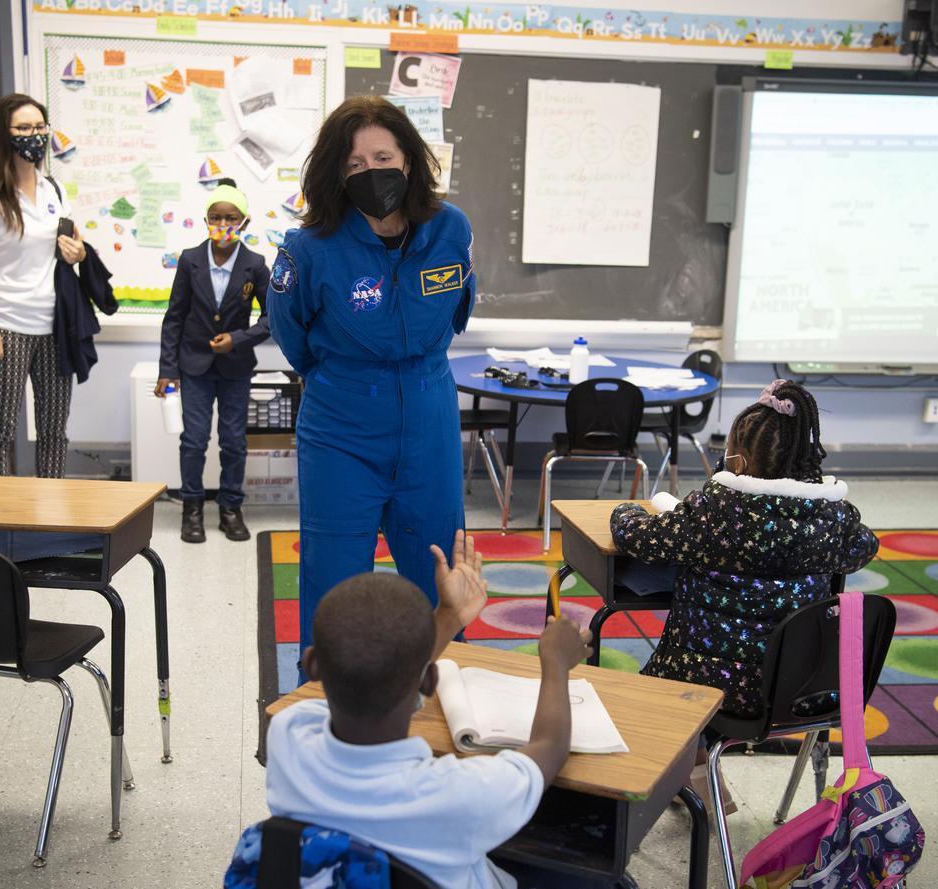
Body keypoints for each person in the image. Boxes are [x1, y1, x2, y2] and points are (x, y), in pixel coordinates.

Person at [262, 531, 595, 889]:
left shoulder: (287, 734)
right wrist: (556, 663)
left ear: (311, 665)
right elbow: (550, 747)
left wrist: (449, 616)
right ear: (430, 681)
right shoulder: (462, 794)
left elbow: (369, 676)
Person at [268, 96, 477, 657]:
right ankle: (325, 716)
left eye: (382, 156)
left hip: (430, 414)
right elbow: (290, 334)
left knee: (442, 571)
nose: (371, 172)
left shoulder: (451, 229)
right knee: (333, 580)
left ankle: (449, 700)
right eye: (354, 164)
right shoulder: (309, 248)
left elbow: (459, 309)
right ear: (336, 173)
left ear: (408, 159)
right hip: (341, 423)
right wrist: (351, 377)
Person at [609, 379, 880, 718]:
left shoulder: (717, 511)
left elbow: (636, 537)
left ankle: (694, 766)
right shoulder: (832, 518)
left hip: (701, 686)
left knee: (651, 706)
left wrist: (626, 510)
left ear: (738, 459)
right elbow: (865, 545)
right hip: (799, 692)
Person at [0, 93, 86, 478]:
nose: (34, 135)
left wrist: (77, 252)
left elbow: (73, 244)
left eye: (39, 127)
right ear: (5, 133)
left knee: (53, 431)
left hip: (53, 327)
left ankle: (49, 517)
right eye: (24, 128)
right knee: (0, 431)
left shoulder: (52, 190)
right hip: (7, 327)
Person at [156, 179, 271, 543]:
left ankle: (230, 508)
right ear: (206, 220)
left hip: (236, 368)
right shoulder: (190, 260)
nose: (222, 225)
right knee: (193, 440)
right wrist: (167, 371)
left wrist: (237, 339)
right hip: (194, 366)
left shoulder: (255, 265)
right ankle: (192, 509)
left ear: (244, 223)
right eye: (215, 218)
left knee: (234, 441)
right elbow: (174, 317)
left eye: (231, 218)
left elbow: (273, 320)